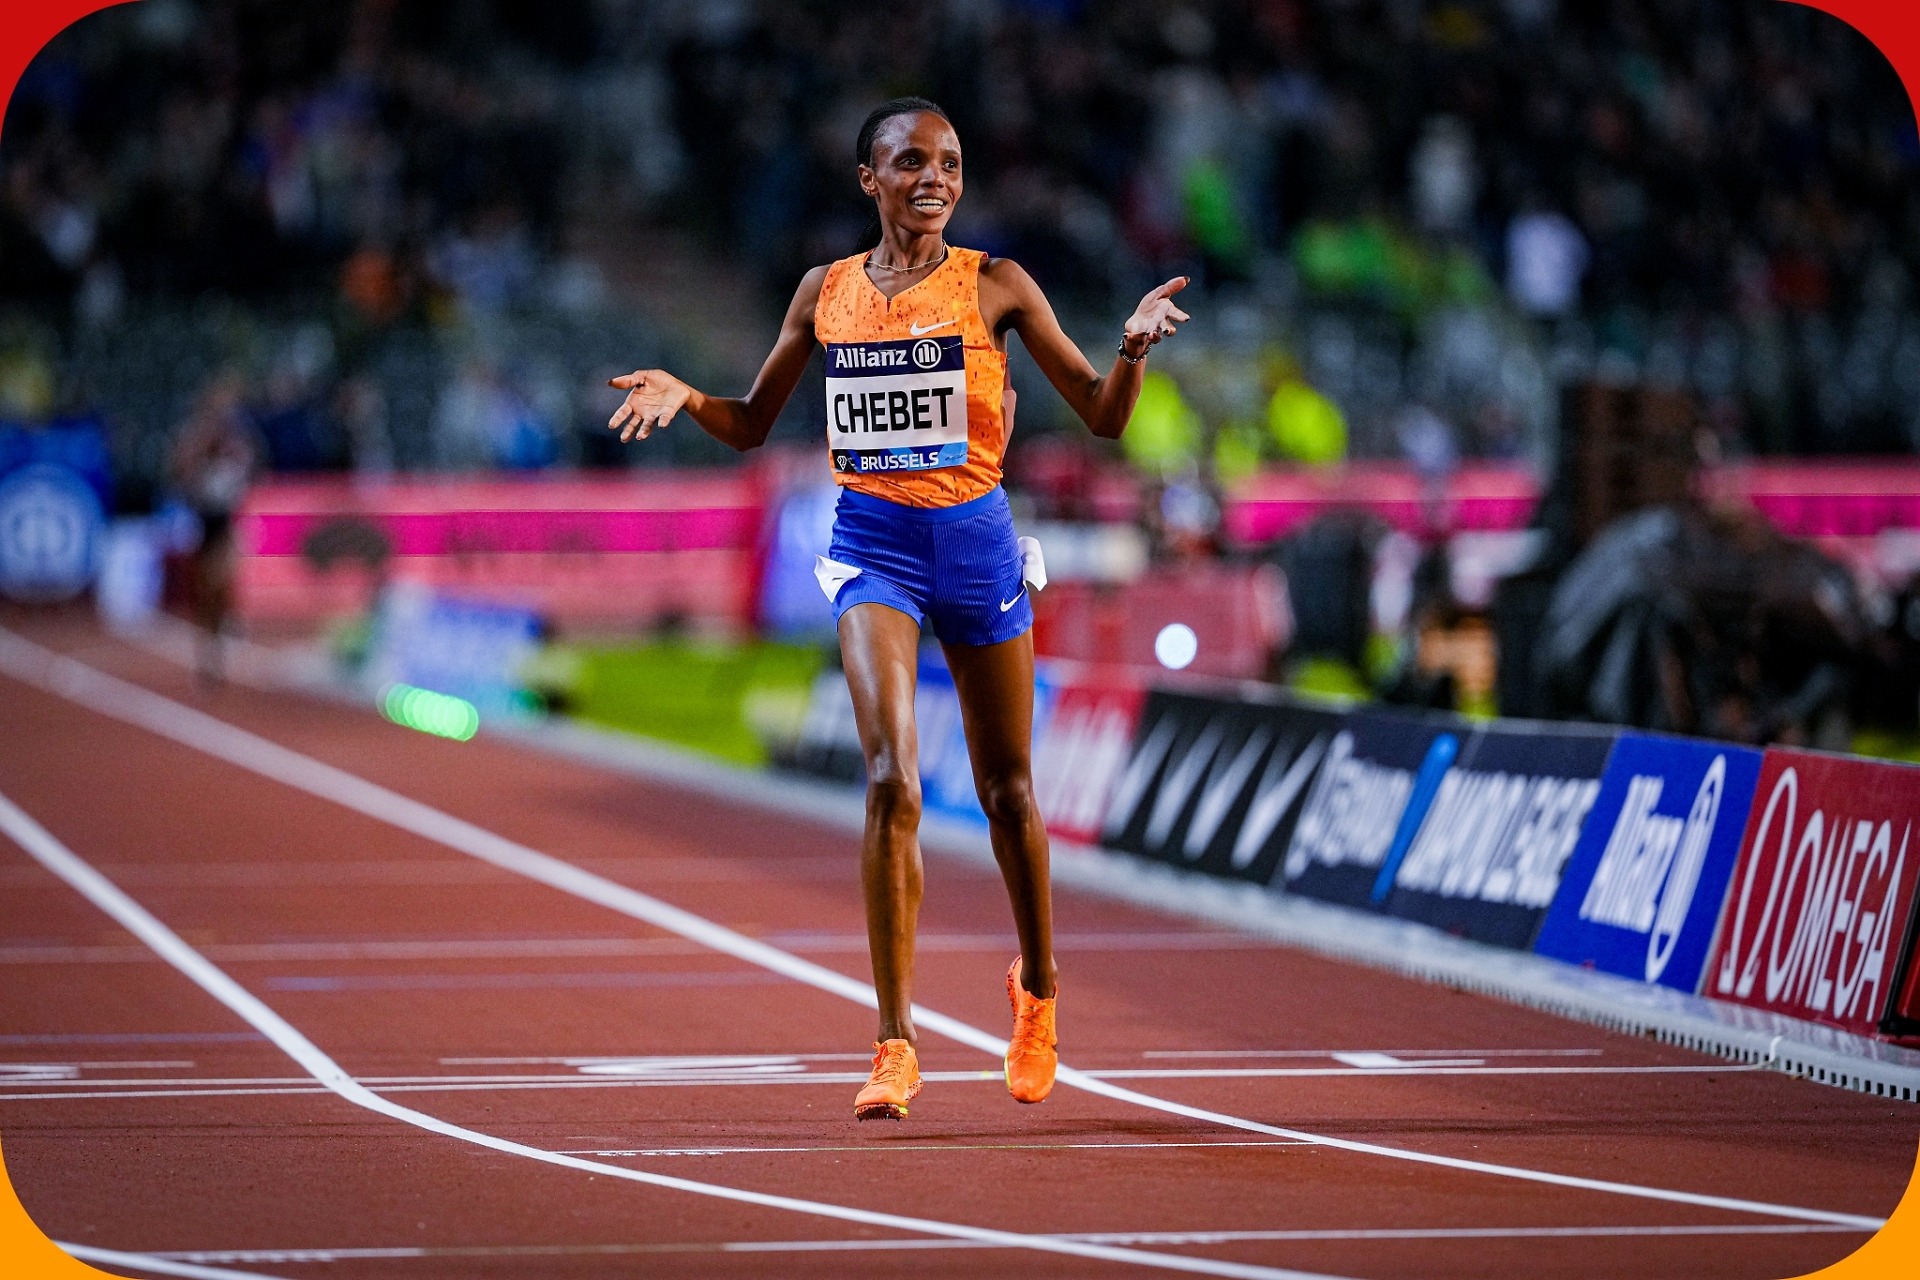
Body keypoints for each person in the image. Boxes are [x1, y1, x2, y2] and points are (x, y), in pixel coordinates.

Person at [607, 98, 1188, 1120]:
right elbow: (751, 424)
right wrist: (685, 394)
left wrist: (1133, 347)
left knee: (1009, 791)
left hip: (978, 550)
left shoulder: (996, 282)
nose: (935, 177)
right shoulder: (823, 293)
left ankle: (1040, 989)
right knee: (892, 781)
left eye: (951, 161)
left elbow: (1100, 413)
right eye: (910, 161)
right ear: (866, 179)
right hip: (872, 550)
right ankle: (894, 1041)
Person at [168, 373, 260, 684]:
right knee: (206, 594)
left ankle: (226, 623)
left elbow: (252, 471)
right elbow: (179, 475)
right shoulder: (196, 440)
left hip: (227, 523)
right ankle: (210, 652)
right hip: (202, 522)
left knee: (222, 579)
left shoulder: (239, 442)